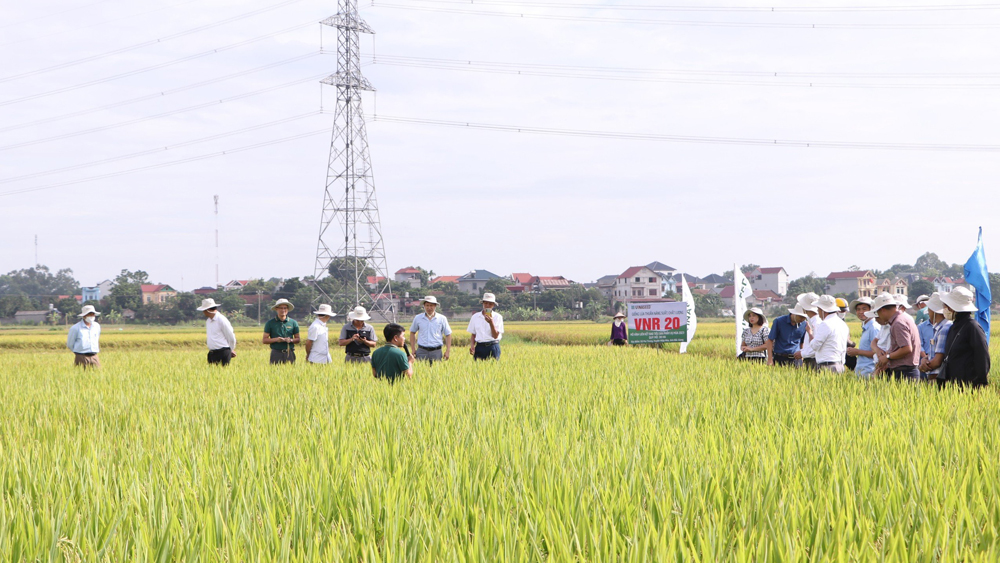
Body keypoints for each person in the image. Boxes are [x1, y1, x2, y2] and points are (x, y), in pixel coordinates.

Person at [938, 287, 990, 388]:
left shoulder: (972, 327)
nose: (944, 308)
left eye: (946, 305)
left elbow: (982, 357)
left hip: (968, 386)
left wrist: (980, 384)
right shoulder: (954, 327)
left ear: (952, 307)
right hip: (952, 385)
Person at [870, 293, 921, 380]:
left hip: (905, 373)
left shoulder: (898, 323)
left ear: (882, 310)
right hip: (906, 370)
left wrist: (887, 357)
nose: (878, 316)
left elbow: (907, 348)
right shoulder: (903, 318)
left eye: (877, 312)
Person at [805, 295, 850, 373]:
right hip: (840, 365)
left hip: (827, 366)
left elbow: (815, 346)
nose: (818, 313)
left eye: (818, 309)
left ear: (823, 310)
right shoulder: (842, 324)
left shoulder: (825, 324)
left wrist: (810, 333)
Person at [918, 293, 952, 384]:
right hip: (934, 375)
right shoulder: (938, 327)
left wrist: (922, 366)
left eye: (929, 310)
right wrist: (925, 359)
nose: (928, 313)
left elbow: (937, 361)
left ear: (933, 310)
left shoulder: (944, 328)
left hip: (938, 377)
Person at [409, 296, 452, 364]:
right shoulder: (418, 318)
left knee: (436, 372)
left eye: (431, 305)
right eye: (427, 305)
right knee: (421, 372)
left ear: (435, 306)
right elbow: (412, 332)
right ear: (424, 306)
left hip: (436, 351)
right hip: (421, 351)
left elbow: (448, 334)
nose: (429, 308)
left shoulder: (442, 318)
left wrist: (448, 351)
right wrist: (413, 349)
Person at [846, 297, 879, 378]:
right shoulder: (866, 327)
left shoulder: (873, 328)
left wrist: (857, 352)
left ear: (871, 310)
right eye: (858, 309)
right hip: (862, 372)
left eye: (864, 309)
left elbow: (878, 354)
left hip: (870, 372)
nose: (861, 312)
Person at [198, 298, 236, 366]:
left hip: (223, 352)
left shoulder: (221, 320)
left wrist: (231, 349)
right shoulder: (208, 321)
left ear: (208, 310)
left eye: (204, 310)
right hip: (212, 353)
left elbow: (230, 336)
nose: (203, 312)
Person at [262, 298, 300, 365]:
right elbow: (265, 340)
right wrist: (276, 339)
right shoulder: (270, 323)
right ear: (276, 309)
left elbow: (298, 339)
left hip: (289, 353)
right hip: (276, 353)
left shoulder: (293, 323)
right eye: (281, 308)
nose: (283, 310)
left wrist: (290, 340)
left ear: (287, 309)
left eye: (285, 308)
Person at [468, 292, 504, 360]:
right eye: (485, 303)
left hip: (493, 346)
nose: (487, 305)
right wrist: (472, 346)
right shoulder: (475, 317)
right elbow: (473, 334)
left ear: (493, 305)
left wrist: (491, 322)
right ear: (483, 304)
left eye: (490, 304)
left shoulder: (498, 317)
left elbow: (495, 335)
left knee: (494, 369)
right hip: (479, 347)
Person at [795, 293, 820, 369]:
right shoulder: (811, 321)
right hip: (810, 359)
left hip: (814, 360)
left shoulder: (817, 323)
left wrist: (802, 353)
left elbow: (817, 346)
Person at [914, 295, 935, 379]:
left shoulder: (946, 326)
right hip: (925, 358)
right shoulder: (922, 327)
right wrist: (926, 357)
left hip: (935, 359)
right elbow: (919, 344)